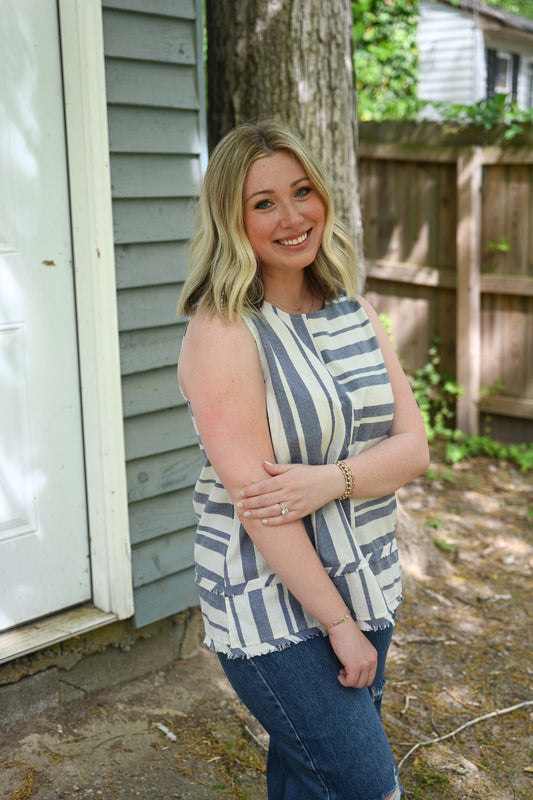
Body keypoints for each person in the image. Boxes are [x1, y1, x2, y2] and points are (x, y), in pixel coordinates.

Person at [177, 119, 429, 800]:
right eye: (263, 203)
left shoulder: (355, 312)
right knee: (363, 784)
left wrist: (330, 482)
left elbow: (413, 448)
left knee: (308, 778)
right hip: (271, 602)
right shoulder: (224, 330)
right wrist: (338, 626)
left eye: (301, 192)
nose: (291, 217)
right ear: (232, 219)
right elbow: (261, 509)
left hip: (365, 574)